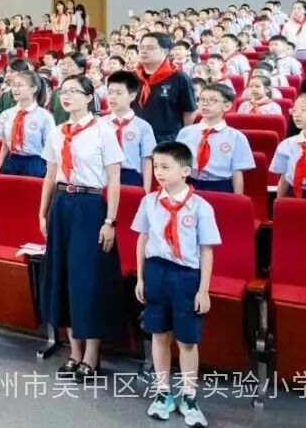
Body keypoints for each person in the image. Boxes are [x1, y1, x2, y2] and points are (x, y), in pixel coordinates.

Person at [39, 74, 125, 381]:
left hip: (90, 206)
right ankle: (74, 352)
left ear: (89, 97)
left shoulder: (104, 131)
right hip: (62, 203)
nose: (67, 96)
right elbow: (50, 175)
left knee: (87, 279)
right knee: (63, 276)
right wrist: (43, 212)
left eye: (74, 91)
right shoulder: (58, 131)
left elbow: (114, 180)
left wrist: (110, 220)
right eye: (63, 91)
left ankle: (92, 354)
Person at [133, 141, 221, 425]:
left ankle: (189, 395)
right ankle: (163, 392)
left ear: (185, 171)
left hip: (186, 277)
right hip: (156, 272)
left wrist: (203, 290)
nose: (158, 172)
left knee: (186, 340)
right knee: (159, 335)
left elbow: (207, 251)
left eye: (165, 167)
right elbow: (142, 239)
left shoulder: (201, 207)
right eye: (156, 166)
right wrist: (141, 277)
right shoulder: (149, 202)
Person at [176, 84, 254, 193]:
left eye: (212, 100)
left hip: (221, 185)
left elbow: (237, 172)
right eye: (202, 99)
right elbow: (177, 166)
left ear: (227, 106)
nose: (205, 104)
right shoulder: (185, 132)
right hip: (190, 183)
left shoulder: (236, 137)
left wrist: (238, 199)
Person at [134, 33, 198, 144]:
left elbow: (189, 111)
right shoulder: (132, 77)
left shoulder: (179, 78)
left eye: (150, 48)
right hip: (136, 139)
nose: (143, 51)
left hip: (167, 141)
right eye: (142, 47)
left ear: (165, 51)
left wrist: (182, 138)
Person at [102, 71, 157, 189]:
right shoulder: (100, 124)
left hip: (130, 176)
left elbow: (146, 160)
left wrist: (146, 191)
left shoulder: (143, 126)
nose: (112, 97)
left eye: (118, 93)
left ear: (132, 96)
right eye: (110, 92)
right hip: (104, 173)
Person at [0, 70, 54, 178]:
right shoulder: (6, 114)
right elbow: (4, 147)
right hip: (11, 163)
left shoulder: (45, 117)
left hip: (35, 165)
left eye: (19, 85)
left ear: (34, 88)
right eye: (13, 85)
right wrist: (0, 170)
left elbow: (50, 151)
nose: (15, 89)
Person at [281, 0, 306, 67]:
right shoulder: (287, 25)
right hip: (291, 53)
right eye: (294, 8)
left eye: (299, 8)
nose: (295, 10)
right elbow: (283, 41)